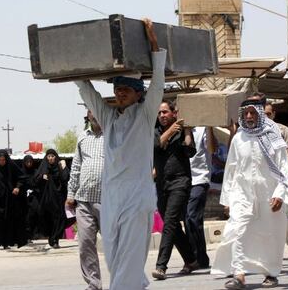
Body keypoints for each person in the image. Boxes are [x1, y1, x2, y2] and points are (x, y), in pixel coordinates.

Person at [73, 18, 166, 290]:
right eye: (117, 88)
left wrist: (153, 42)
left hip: (137, 196)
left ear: (138, 93)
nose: (120, 92)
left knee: (128, 259)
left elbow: (158, 83)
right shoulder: (109, 118)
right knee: (114, 258)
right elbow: (87, 91)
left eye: (126, 88)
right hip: (111, 196)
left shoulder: (146, 115)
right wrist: (75, 58)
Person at [211, 97, 288, 289]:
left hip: (268, 194)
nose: (249, 116)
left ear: (260, 113)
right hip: (242, 194)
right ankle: (239, 275)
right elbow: (231, 169)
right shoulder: (239, 138)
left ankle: (270, 273)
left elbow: (283, 165)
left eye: (253, 112)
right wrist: (227, 200)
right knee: (238, 231)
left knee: (269, 234)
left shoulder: (273, 135)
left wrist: (280, 193)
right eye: (245, 113)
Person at [152, 100, 198, 280]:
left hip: (180, 182)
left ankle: (161, 266)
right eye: (160, 113)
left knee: (170, 221)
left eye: (165, 112)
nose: (162, 115)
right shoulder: (154, 132)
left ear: (174, 113)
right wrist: (171, 131)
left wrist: (186, 131)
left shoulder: (182, 132)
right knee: (171, 224)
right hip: (162, 184)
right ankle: (191, 259)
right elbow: (156, 146)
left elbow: (189, 151)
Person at [66, 110, 104, 290]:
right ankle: (94, 283)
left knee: (115, 244)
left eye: (97, 109)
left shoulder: (113, 134)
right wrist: (70, 194)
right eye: (91, 111)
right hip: (84, 200)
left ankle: (123, 279)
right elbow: (76, 168)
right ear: (87, 115)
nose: (94, 114)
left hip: (108, 201)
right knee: (86, 244)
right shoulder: (82, 137)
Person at [264, 102, 288, 260]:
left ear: (274, 114)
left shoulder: (283, 130)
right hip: (262, 180)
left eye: (268, 114)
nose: (266, 117)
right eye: (263, 114)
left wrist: (285, 178)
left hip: (279, 179)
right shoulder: (253, 132)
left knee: (282, 213)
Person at [184, 126, 216, 269]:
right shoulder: (179, 128)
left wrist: (209, 126)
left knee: (192, 216)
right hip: (183, 180)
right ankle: (200, 258)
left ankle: (198, 258)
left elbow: (211, 149)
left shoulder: (203, 129)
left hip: (200, 179)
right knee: (190, 220)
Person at [35, 149, 69, 249]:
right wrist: (42, 176)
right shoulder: (44, 167)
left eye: (52, 156)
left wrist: (64, 167)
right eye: (49, 156)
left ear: (56, 157)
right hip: (47, 198)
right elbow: (35, 180)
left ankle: (56, 239)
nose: (50, 158)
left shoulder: (59, 166)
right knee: (50, 218)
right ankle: (52, 238)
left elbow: (65, 178)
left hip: (59, 197)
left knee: (61, 218)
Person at [21, 155, 40, 242]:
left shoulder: (36, 172)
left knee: (34, 214)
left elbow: (38, 183)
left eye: (30, 162)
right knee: (25, 216)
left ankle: (33, 234)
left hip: (34, 196)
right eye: (27, 162)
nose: (29, 164)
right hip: (23, 198)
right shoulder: (21, 172)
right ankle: (26, 236)